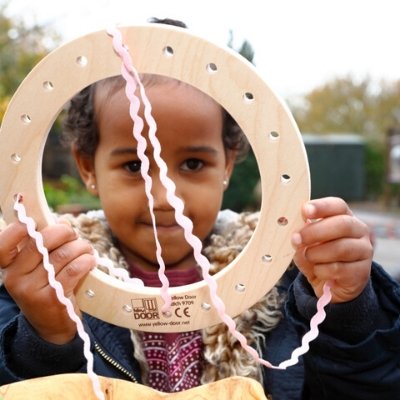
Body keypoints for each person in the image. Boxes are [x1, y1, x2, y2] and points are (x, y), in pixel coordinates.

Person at [0, 18, 400, 400]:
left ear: (227, 164)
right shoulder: (42, 281)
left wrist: (347, 309)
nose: (163, 197)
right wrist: (46, 336)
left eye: (192, 164)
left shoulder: (290, 284)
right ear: (87, 166)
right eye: (134, 165)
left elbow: (372, 387)